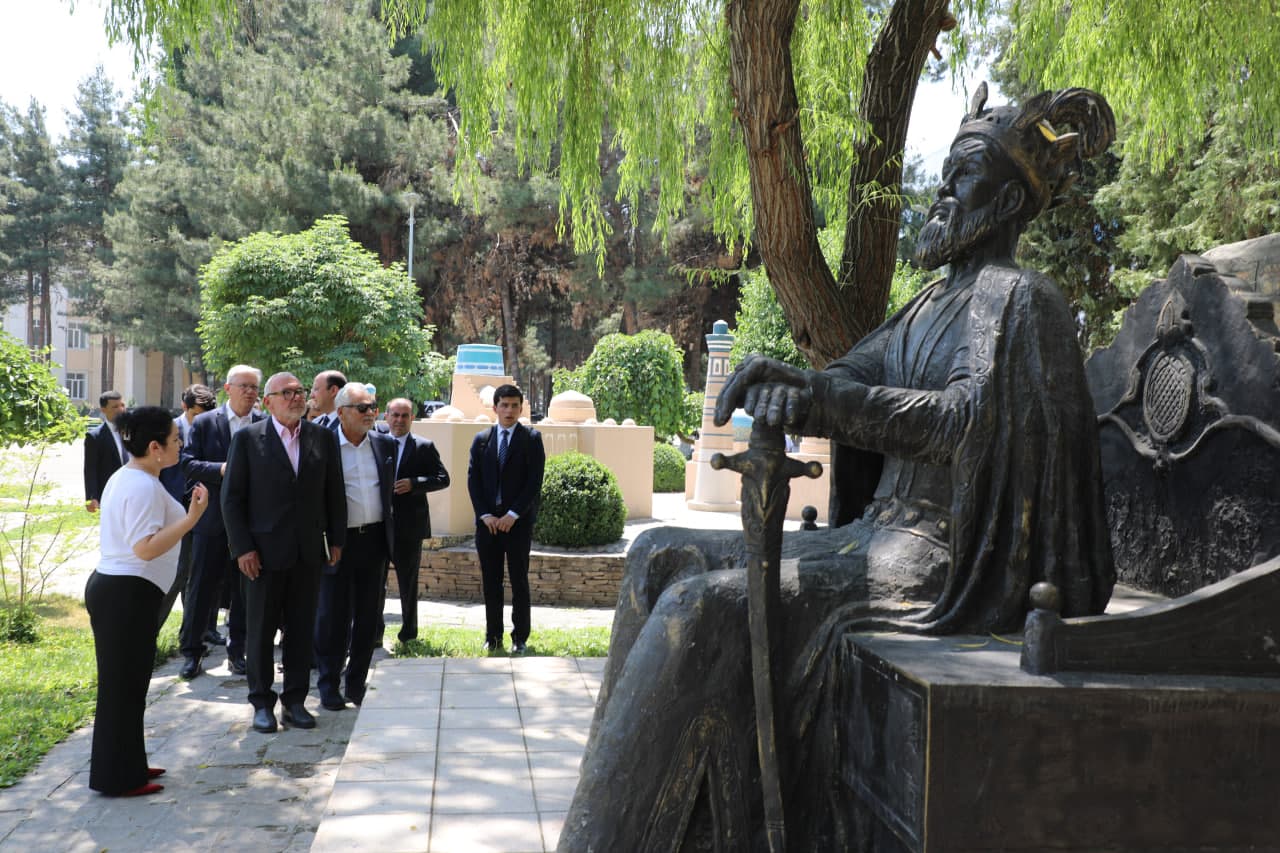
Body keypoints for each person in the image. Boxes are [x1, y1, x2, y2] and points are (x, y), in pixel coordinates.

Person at [560, 85, 1118, 849]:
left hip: (939, 562)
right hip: (872, 539)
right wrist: (793, 384)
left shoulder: (1015, 299)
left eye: (965, 173)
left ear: (1011, 198)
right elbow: (846, 379)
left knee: (702, 610)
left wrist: (827, 400)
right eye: (946, 171)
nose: (943, 190)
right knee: (657, 554)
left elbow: (964, 419)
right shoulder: (928, 303)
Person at [86, 406, 210, 797]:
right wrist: (191, 519)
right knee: (121, 688)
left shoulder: (138, 477)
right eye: (176, 440)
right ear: (155, 447)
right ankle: (118, 777)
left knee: (130, 686)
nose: (181, 445)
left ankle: (128, 764)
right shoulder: (138, 484)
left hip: (127, 593)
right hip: (125, 594)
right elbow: (144, 548)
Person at [222, 372, 346, 733]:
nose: (295, 398)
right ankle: (262, 703)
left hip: (308, 553)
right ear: (268, 401)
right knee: (259, 631)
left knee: (301, 630)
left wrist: (336, 540)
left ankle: (295, 701)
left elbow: (334, 491)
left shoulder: (321, 437)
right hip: (262, 555)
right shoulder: (248, 439)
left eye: (300, 392)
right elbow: (232, 499)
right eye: (286, 393)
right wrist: (242, 548)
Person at [177, 366, 264, 679]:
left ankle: (237, 651)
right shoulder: (203, 423)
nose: (250, 392)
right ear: (228, 388)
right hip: (211, 519)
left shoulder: (264, 424)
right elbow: (187, 464)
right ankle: (192, 652)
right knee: (201, 586)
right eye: (244, 386)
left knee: (244, 590)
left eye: (255, 387)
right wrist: (221, 470)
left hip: (250, 523)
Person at [314, 383, 396, 709]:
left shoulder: (384, 443)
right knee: (332, 618)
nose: (370, 413)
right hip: (338, 545)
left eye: (373, 407)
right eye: (362, 408)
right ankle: (328, 684)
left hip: (374, 541)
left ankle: (356, 684)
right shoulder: (322, 446)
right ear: (341, 412)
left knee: (367, 619)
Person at [467, 383, 545, 653]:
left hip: (518, 524)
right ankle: (493, 636)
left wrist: (513, 514)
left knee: (519, 580)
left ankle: (520, 638)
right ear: (495, 407)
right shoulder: (481, 440)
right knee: (491, 582)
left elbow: (534, 482)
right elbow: (473, 482)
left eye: (514, 405)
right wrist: (485, 515)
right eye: (504, 405)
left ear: (521, 407)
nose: (509, 410)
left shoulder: (531, 439)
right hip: (488, 525)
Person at [384, 397, 450, 643]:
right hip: (378, 526)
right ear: (386, 416)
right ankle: (374, 634)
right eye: (395, 415)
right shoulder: (376, 443)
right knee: (374, 584)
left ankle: (409, 633)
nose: (399, 420)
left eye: (404, 416)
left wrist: (415, 484)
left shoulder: (424, 446)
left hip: (409, 527)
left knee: (407, 583)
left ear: (412, 418)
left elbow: (443, 478)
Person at [156, 384, 217, 630]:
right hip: (173, 512)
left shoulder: (213, 428)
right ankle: (151, 632)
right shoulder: (168, 430)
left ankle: (199, 630)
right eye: (196, 414)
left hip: (204, 510)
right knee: (178, 573)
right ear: (185, 407)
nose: (201, 419)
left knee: (204, 573)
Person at [83, 390, 126, 513]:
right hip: (110, 494)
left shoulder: (133, 432)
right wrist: (92, 497)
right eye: (115, 407)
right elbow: (90, 469)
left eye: (122, 405)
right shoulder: (95, 437)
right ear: (103, 410)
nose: (121, 410)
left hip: (133, 492)